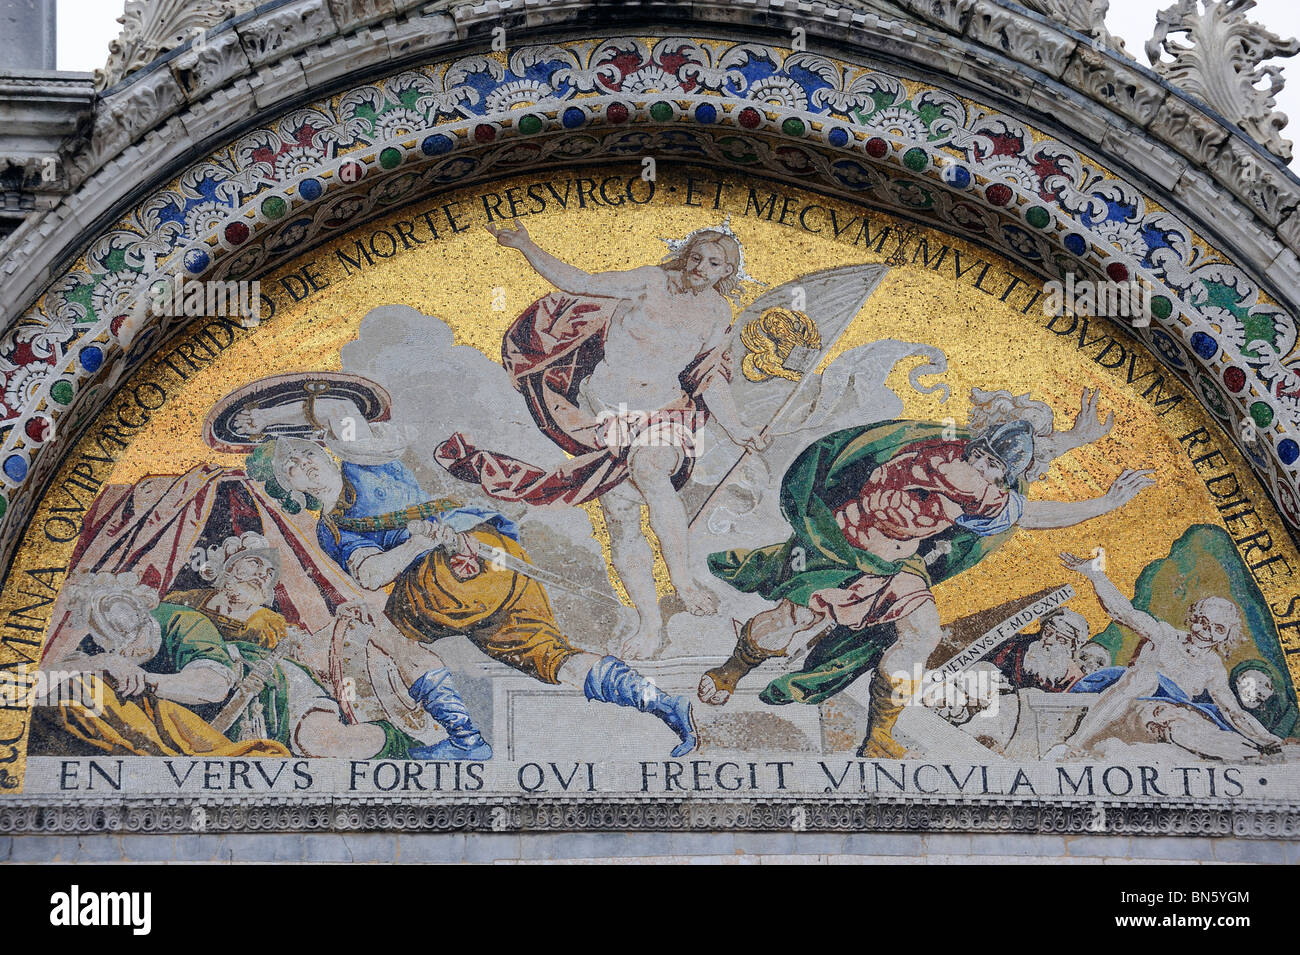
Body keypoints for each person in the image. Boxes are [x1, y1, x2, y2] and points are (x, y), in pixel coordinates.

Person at [237, 393, 699, 759]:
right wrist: (416, 543)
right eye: (289, 469)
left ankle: (466, 741)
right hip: (489, 562)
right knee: (551, 657)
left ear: (323, 451)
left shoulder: (365, 460)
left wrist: (269, 418)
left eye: (303, 454)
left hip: (457, 570)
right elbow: (372, 571)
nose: (300, 466)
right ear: (292, 488)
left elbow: (339, 410)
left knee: (376, 635)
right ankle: (663, 703)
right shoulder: (329, 527)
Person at [700, 416, 1154, 757]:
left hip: (896, 566)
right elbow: (1030, 515)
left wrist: (1075, 444)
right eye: (980, 455)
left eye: (992, 463)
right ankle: (731, 670)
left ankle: (879, 732)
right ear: (971, 450)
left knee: (923, 634)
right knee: (793, 620)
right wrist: (1104, 503)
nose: (981, 465)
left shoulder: (964, 460)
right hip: (846, 548)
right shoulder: (959, 473)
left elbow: (1014, 478)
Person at [436, 221, 767, 659]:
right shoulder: (650, 282)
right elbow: (580, 281)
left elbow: (709, 378)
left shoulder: (717, 313)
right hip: (603, 416)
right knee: (622, 516)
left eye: (714, 263)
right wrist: (525, 245)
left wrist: (737, 427)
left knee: (650, 469)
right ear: (685, 254)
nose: (701, 267)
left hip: (664, 411)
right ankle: (650, 622)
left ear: (727, 271)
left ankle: (682, 580)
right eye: (697, 255)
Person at [1056, 552, 1284, 757]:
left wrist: (1266, 737)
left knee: (1186, 730)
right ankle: (1074, 744)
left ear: (1226, 636)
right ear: (1192, 618)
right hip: (1130, 709)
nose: (1207, 632)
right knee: (1145, 678)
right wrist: (1096, 575)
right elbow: (1124, 612)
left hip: (1171, 718)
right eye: (1203, 623)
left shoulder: (1213, 667)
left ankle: (1248, 755)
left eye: (1218, 628)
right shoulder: (1164, 635)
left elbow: (1232, 711)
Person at [985, 608, 1090, 691]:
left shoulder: (1074, 678)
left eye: (1061, 640)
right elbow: (988, 665)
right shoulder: (1016, 646)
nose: (1049, 640)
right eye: (1048, 632)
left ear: (1072, 647)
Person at [1231, 659, 1299, 738]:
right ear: (1236, 684)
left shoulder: (1285, 716)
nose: (1257, 692)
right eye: (1248, 684)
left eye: (1264, 686)